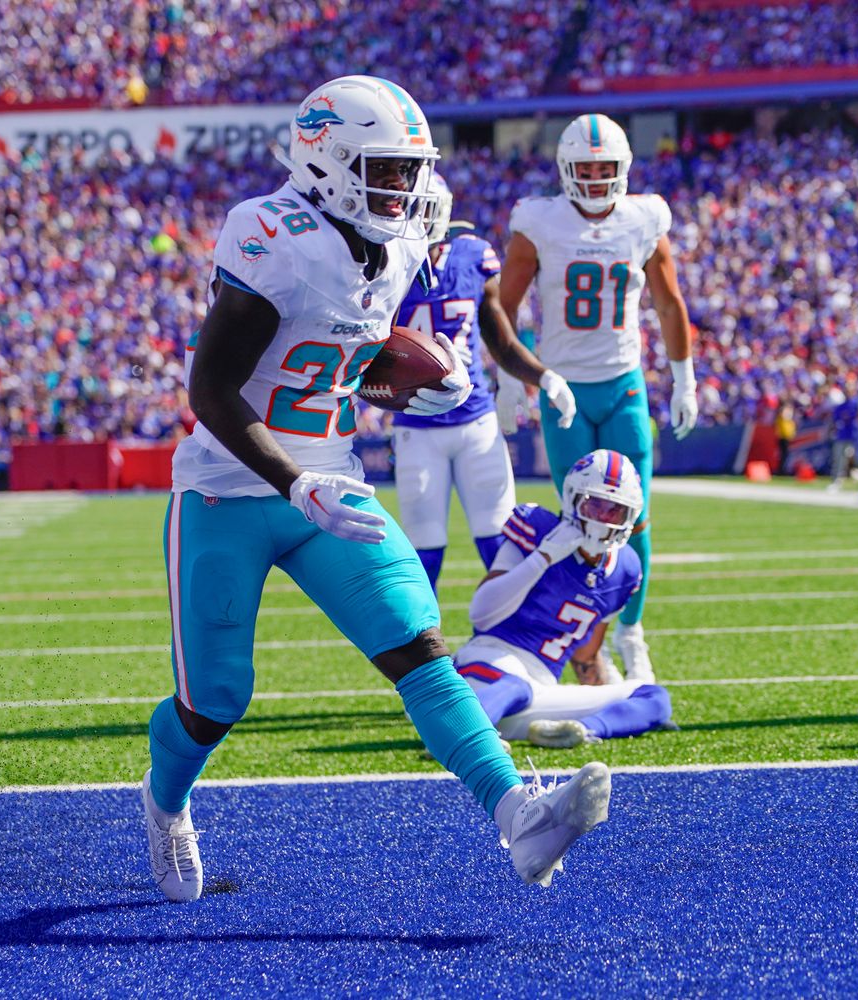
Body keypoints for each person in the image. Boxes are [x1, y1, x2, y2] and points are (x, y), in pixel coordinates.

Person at [143, 75, 611, 903]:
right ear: (327, 163)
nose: (406, 187)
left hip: (329, 483)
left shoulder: (396, 248)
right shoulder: (272, 234)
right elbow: (212, 393)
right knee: (216, 698)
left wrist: (392, 381)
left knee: (419, 645)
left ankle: (519, 817)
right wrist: (295, 484)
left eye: (410, 169)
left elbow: (334, 359)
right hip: (228, 489)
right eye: (388, 170)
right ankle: (165, 802)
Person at [498, 113, 697, 683]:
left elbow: (668, 302)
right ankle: (578, 645)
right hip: (564, 389)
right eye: (584, 169)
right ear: (563, 170)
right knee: (575, 520)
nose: (594, 180)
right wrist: (513, 377)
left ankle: (631, 633)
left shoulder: (643, 218)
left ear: (625, 169)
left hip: (624, 383)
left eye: (605, 169)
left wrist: (683, 378)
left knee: (636, 518)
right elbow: (504, 307)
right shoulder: (539, 221)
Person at [391, 173, 574, 591]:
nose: (418, 219)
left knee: (501, 543)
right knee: (423, 552)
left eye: (426, 209)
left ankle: (505, 642)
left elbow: (502, 342)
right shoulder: (384, 263)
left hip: (475, 420)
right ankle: (422, 653)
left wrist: (544, 378)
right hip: (416, 426)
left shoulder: (473, 256)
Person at [455, 449, 673, 748]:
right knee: (515, 686)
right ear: (572, 498)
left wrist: (621, 701)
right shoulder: (537, 528)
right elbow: (480, 613)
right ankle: (462, 737)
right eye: (596, 505)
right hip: (487, 666)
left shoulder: (625, 569)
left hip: (541, 689)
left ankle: (578, 731)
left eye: (615, 510)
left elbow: (585, 655)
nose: (605, 519)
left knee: (654, 697)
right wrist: (543, 557)